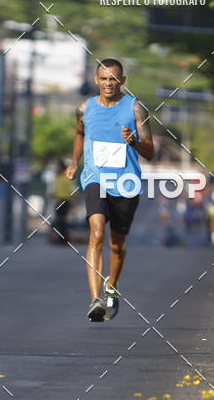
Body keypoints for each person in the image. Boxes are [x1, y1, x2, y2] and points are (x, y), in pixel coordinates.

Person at [66, 58, 154, 322]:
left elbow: (150, 151)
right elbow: (80, 134)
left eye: (113, 79)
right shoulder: (84, 108)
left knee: (117, 244)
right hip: (95, 178)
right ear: (96, 80)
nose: (108, 83)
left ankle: (112, 285)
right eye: (103, 78)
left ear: (122, 81)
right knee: (96, 234)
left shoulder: (136, 108)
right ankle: (95, 300)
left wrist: (134, 142)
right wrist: (74, 161)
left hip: (126, 182)